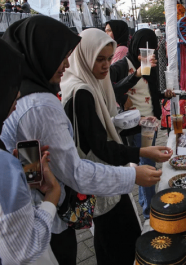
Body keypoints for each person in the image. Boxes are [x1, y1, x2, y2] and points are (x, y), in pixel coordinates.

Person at [1, 16, 162, 265]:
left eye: (109, 59)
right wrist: (134, 173)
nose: (66, 62)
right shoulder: (41, 104)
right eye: (60, 55)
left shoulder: (33, 95)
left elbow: (27, 151)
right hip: (47, 222)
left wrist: (34, 174)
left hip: (46, 210)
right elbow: (78, 166)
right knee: (119, 246)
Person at [60, 28, 172, 265]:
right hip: (101, 178)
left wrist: (135, 124)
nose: (105, 65)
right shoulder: (83, 92)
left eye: (109, 59)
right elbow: (101, 147)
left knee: (107, 242)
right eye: (99, 59)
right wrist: (141, 154)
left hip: (101, 177)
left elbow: (102, 127)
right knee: (124, 241)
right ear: (83, 55)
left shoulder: (86, 83)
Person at [0, 39, 60, 265]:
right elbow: (26, 248)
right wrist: (52, 194)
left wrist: (19, 186)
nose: (18, 94)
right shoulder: (5, 166)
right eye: (11, 84)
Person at [110, 28, 175, 220]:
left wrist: (164, 94)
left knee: (147, 163)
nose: (147, 53)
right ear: (134, 46)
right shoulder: (124, 64)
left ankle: (147, 204)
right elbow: (111, 87)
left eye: (152, 49)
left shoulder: (148, 64)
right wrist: (123, 97)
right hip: (136, 124)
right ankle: (149, 212)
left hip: (151, 122)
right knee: (147, 164)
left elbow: (149, 92)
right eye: (143, 49)